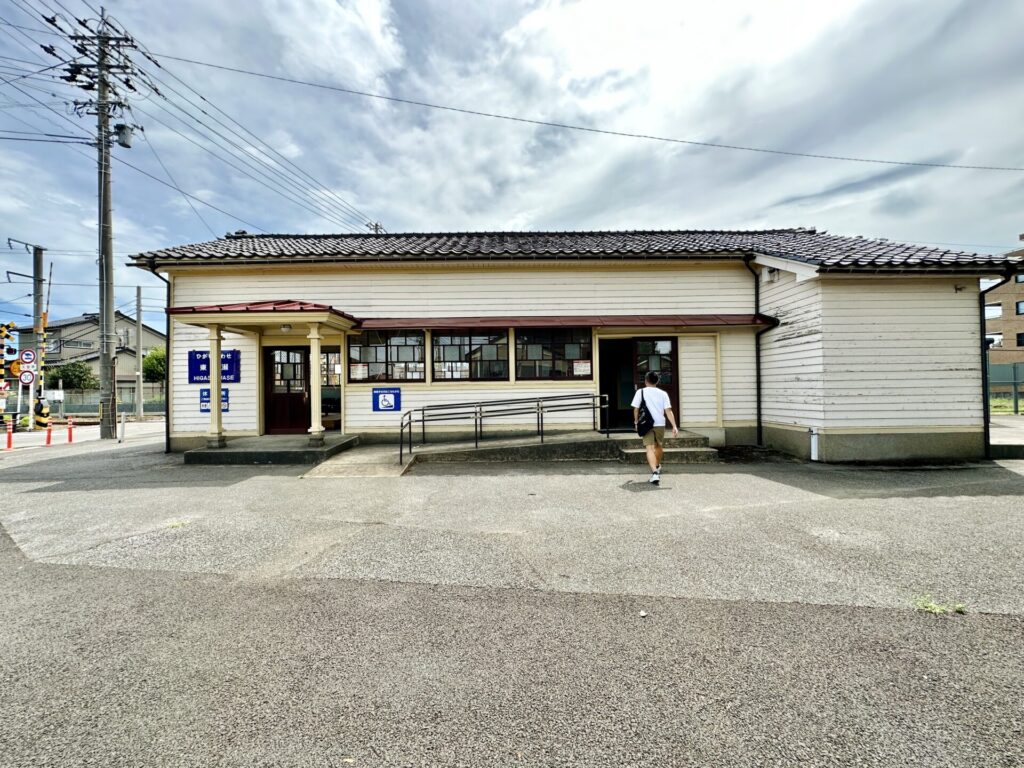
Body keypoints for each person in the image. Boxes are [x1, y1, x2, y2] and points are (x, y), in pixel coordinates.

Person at [631, 371, 679, 485]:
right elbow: (668, 411)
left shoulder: (640, 392)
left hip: (646, 423)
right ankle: (657, 466)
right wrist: (674, 426)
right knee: (658, 446)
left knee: (649, 448)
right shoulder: (663, 393)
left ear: (646, 381)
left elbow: (636, 409)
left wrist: (636, 422)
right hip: (660, 423)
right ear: (657, 381)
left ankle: (655, 473)